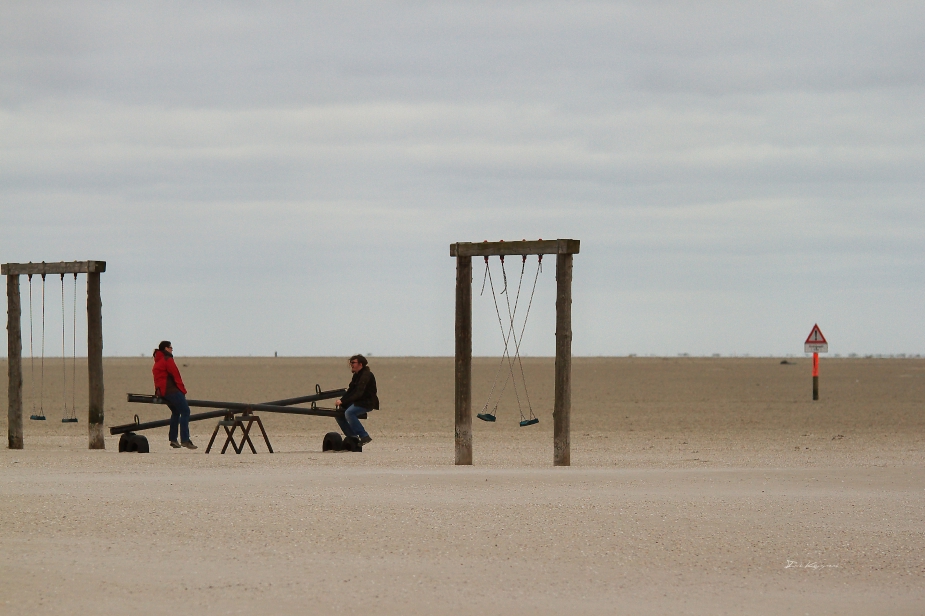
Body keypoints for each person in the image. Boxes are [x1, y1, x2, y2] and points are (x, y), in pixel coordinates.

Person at [152, 341, 197, 449]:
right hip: (171, 391)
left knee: (176, 412)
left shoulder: (158, 361)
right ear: (166, 348)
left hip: (162, 392)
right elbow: (176, 375)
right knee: (185, 411)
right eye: (170, 347)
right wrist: (182, 391)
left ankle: (173, 439)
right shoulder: (168, 359)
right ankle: (185, 440)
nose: (172, 349)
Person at [335, 354, 378, 446]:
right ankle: (353, 437)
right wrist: (342, 400)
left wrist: (343, 401)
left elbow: (359, 393)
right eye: (350, 362)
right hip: (357, 401)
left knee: (349, 413)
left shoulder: (366, 375)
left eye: (353, 362)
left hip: (366, 402)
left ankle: (364, 436)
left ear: (361, 364)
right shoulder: (356, 375)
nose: (351, 364)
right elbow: (350, 391)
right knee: (338, 415)